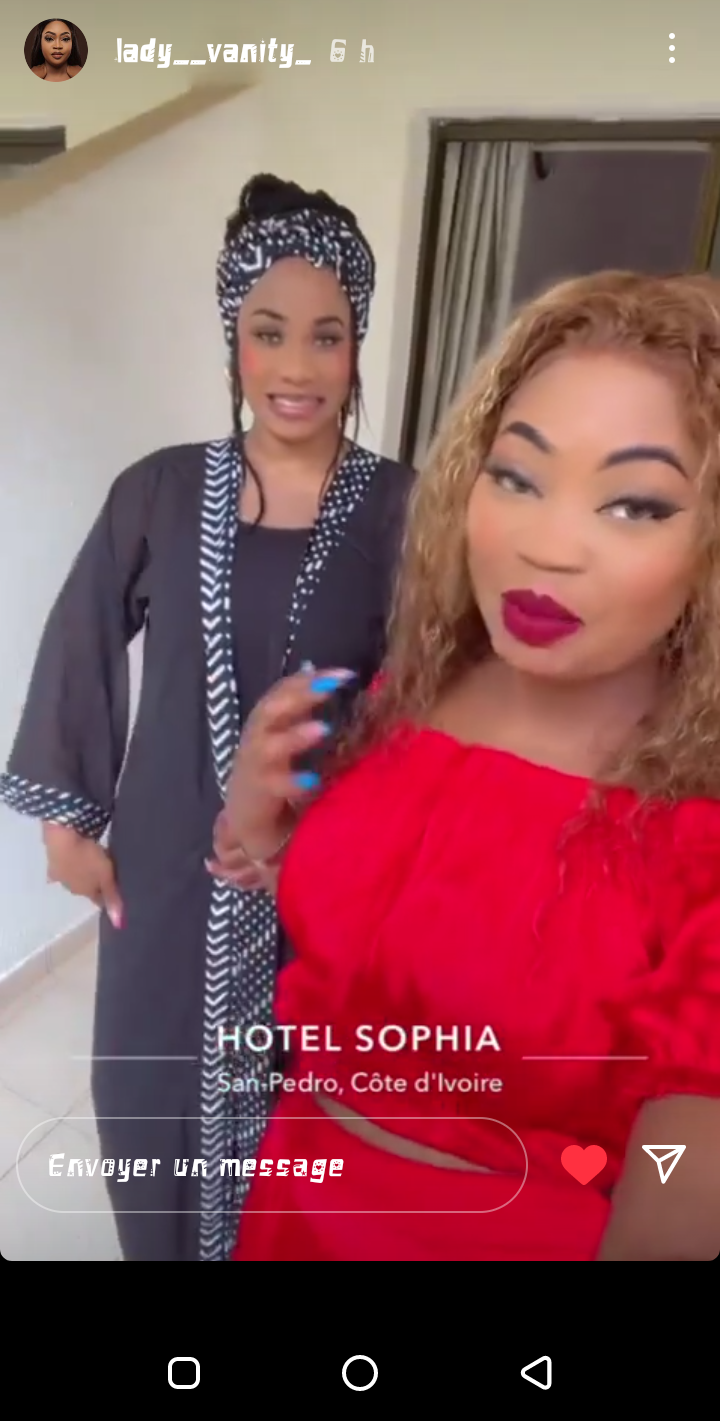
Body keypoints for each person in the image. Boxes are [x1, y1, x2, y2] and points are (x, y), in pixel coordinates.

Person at [220, 269, 720, 1262]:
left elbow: (686, 1174)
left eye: (634, 505)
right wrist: (269, 836)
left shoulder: (698, 816)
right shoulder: (419, 686)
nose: (546, 547)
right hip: (289, 1205)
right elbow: (399, 960)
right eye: (518, 477)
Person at [0, 174, 414, 1262]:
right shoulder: (161, 490)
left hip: (320, 883)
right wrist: (66, 825)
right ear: (233, 338)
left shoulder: (404, 510)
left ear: (357, 347)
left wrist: (347, 850)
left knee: (297, 1138)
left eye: (326, 337)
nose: (296, 367)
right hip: (164, 869)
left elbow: (429, 697)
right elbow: (82, 636)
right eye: (268, 332)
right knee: (146, 1104)